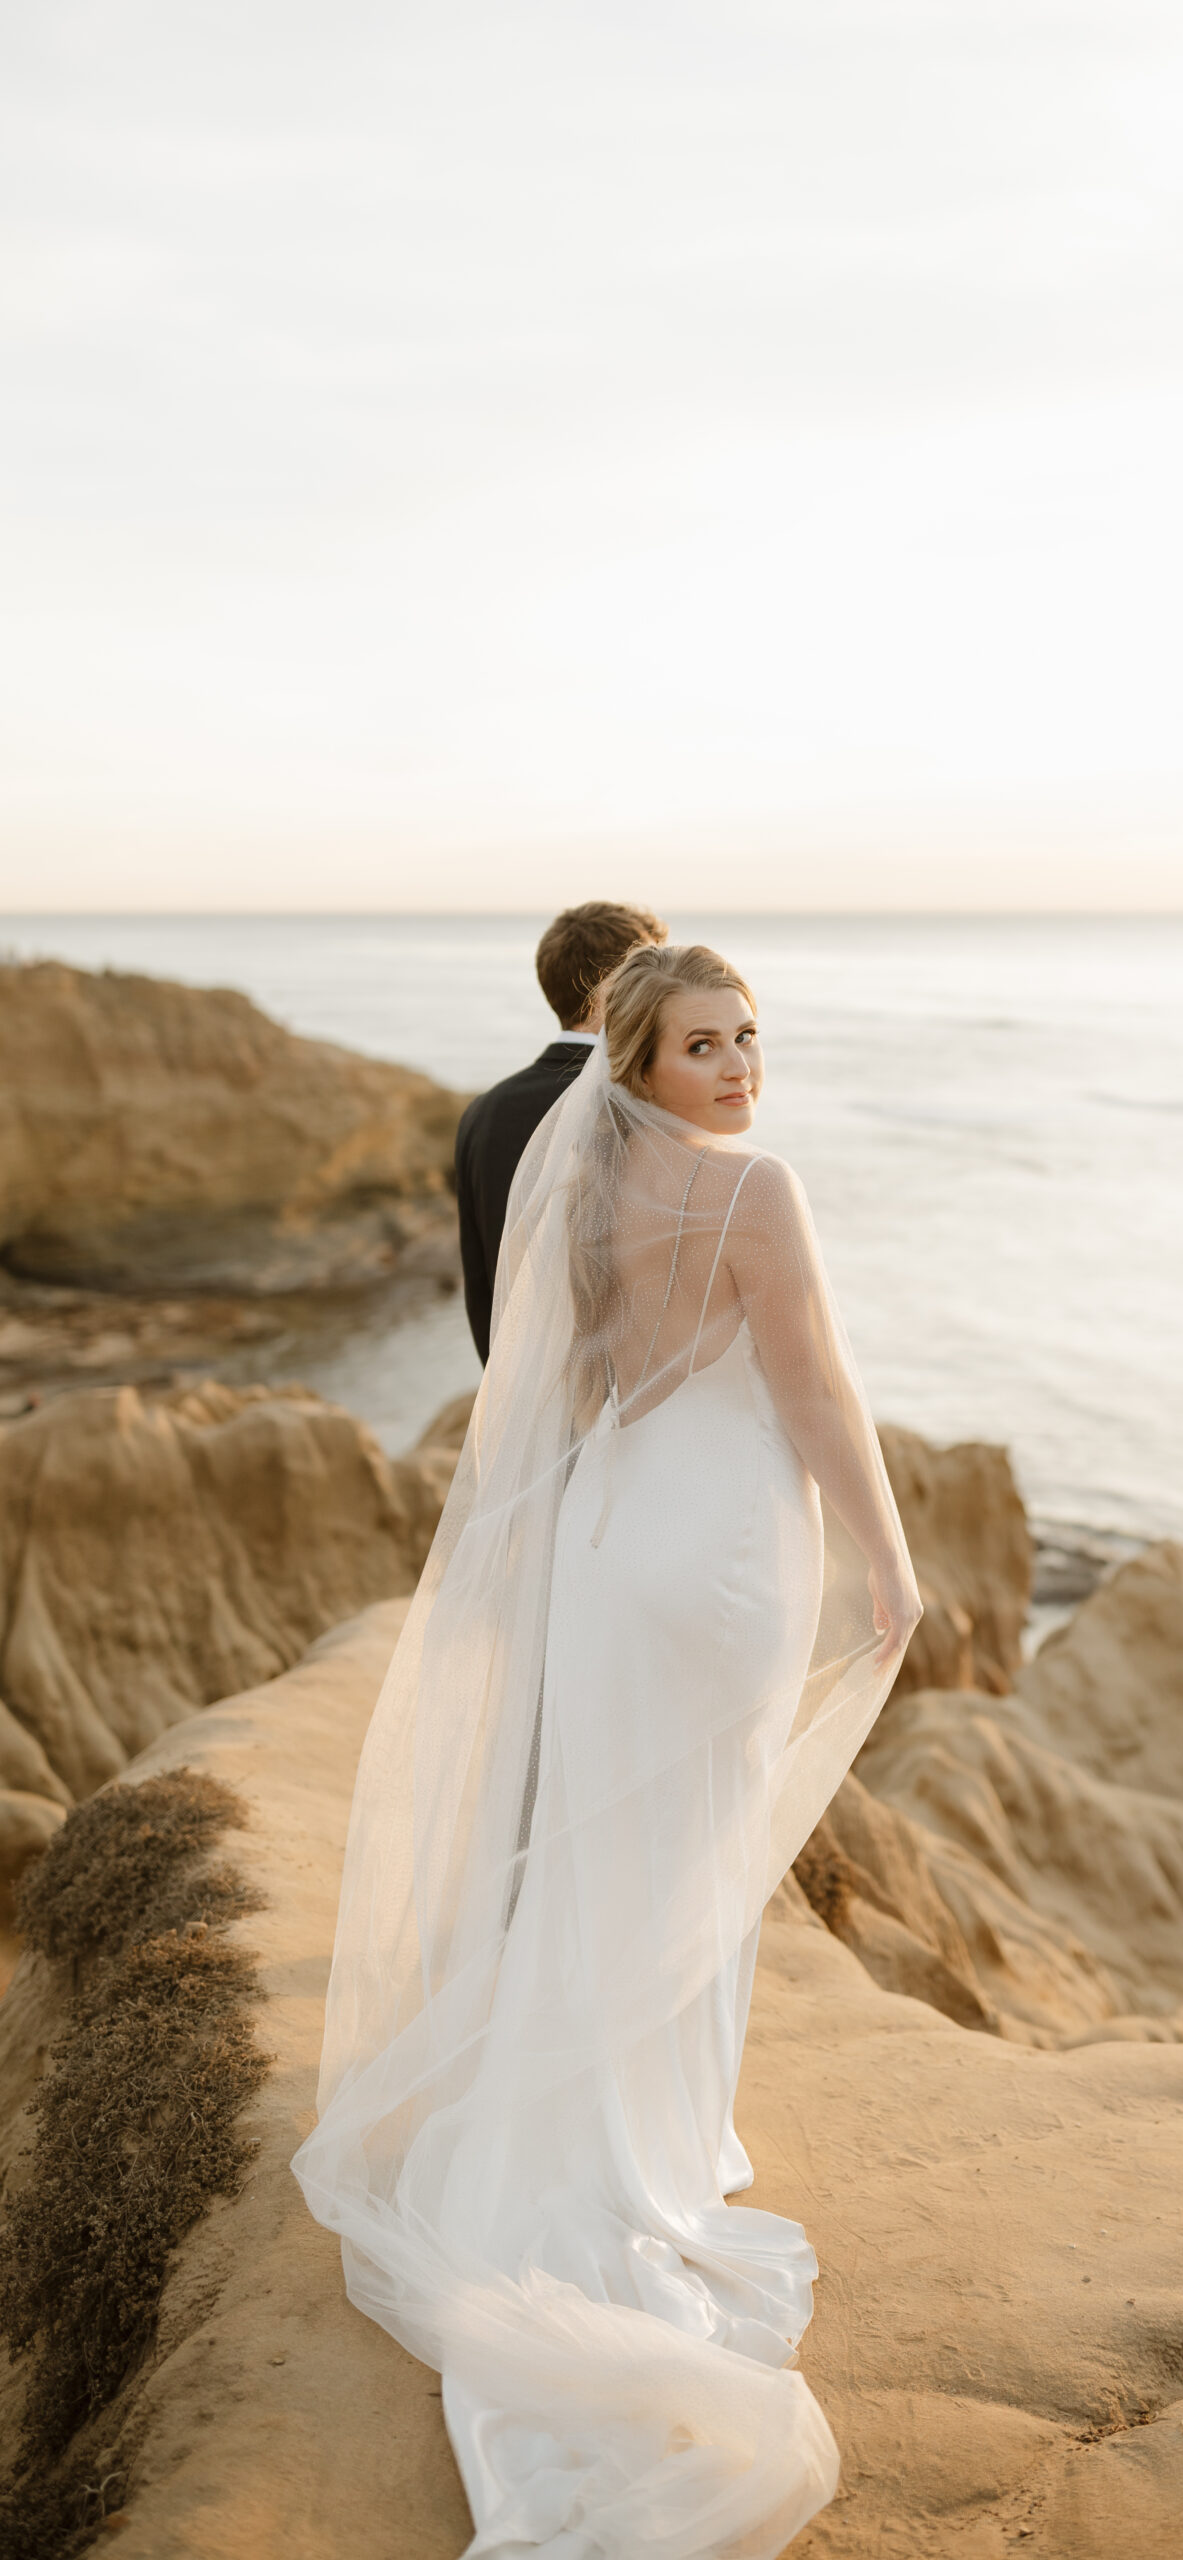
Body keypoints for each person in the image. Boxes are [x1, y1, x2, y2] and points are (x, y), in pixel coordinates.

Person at [293, 942, 921, 2560]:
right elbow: (815, 1388)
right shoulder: (756, 1191)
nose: (739, 1068)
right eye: (705, 1046)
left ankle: (587, 2139)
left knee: (598, 1843)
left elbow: (551, 1388)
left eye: (751, 1039)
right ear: (634, 1062)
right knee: (688, 1853)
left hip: (603, 1541)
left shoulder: (574, 1193)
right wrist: (891, 1560)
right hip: (712, 1561)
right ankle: (646, 2167)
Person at [454, 899, 668, 1362]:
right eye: (651, 972)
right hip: (621, 1404)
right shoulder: (645, 1102)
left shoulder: (480, 1114)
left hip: (519, 1396)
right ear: (613, 990)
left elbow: (480, 1282)